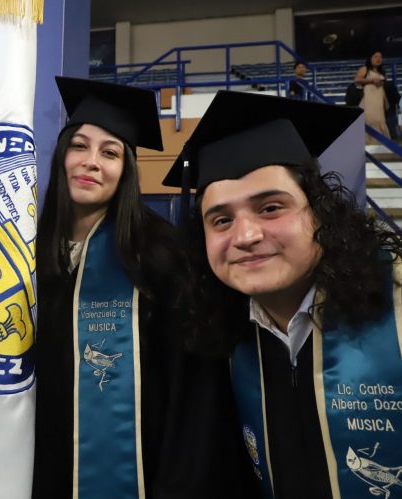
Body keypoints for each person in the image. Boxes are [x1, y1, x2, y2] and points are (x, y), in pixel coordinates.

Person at [163, 90, 402, 498]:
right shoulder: (218, 336)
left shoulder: (394, 303)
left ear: (320, 212)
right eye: (221, 220)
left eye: (271, 208)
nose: (246, 235)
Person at [32, 77, 256, 498]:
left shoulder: (159, 254)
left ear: (127, 170)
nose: (91, 162)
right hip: (44, 466)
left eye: (110, 152)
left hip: (143, 470)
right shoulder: (31, 251)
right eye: (79, 146)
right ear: (61, 155)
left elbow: (193, 390)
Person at [355, 51, 390, 143]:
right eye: (375, 56)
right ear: (370, 58)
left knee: (380, 119)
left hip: (379, 100)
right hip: (369, 98)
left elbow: (382, 88)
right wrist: (372, 80)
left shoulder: (382, 72)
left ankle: (380, 144)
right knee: (370, 119)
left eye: (380, 57)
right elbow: (357, 79)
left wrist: (386, 101)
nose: (378, 59)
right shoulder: (365, 69)